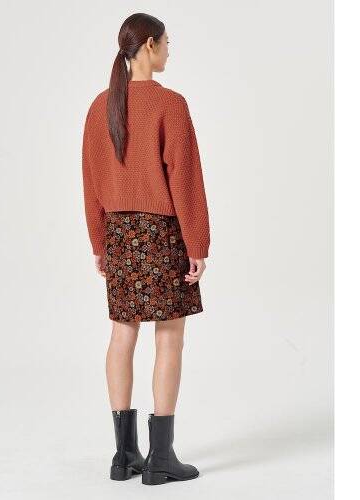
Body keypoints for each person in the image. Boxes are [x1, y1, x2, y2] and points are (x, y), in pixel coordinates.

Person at [81, 13, 211, 485]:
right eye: (167, 43)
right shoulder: (170, 104)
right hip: (161, 235)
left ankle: (123, 456)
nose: (170, 51)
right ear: (150, 45)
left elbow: (90, 181)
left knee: (122, 335)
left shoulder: (100, 107)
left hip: (119, 236)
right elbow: (185, 179)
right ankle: (160, 458)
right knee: (169, 336)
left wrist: (99, 241)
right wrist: (197, 243)